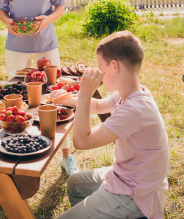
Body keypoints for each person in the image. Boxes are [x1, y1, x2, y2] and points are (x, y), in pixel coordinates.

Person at [57, 31, 169, 219]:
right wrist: (66, 99)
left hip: (137, 194)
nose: (99, 72)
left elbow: (82, 142)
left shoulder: (134, 109)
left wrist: (85, 93)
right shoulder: (130, 92)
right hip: (128, 175)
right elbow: (99, 105)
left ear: (114, 66)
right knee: (75, 184)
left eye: (100, 66)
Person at [0, 0, 78, 176]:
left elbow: (60, 6)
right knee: (14, 97)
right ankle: (15, 148)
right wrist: (7, 22)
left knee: (56, 95)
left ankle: (67, 157)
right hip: (16, 45)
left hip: (46, 43)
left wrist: (46, 20)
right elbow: (0, 9)